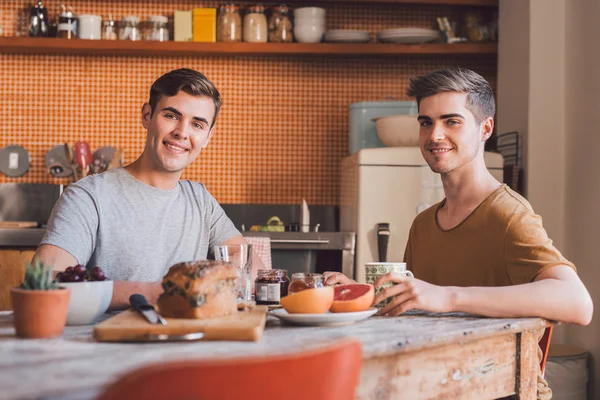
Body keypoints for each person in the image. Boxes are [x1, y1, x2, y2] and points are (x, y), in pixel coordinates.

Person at [324, 68, 593, 400]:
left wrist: (447, 296)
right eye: (426, 122)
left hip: (499, 391)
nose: (435, 134)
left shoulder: (507, 214)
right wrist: (363, 293)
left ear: (486, 129)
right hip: (438, 383)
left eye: (451, 121)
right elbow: (417, 304)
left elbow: (578, 304)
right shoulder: (424, 223)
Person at [34, 68, 264, 309]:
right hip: (108, 343)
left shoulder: (201, 200)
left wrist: (217, 277)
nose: (182, 133)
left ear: (207, 137)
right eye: (172, 116)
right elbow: (46, 284)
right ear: (147, 116)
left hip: (187, 341)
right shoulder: (88, 197)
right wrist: (163, 293)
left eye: (197, 124)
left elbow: (254, 268)